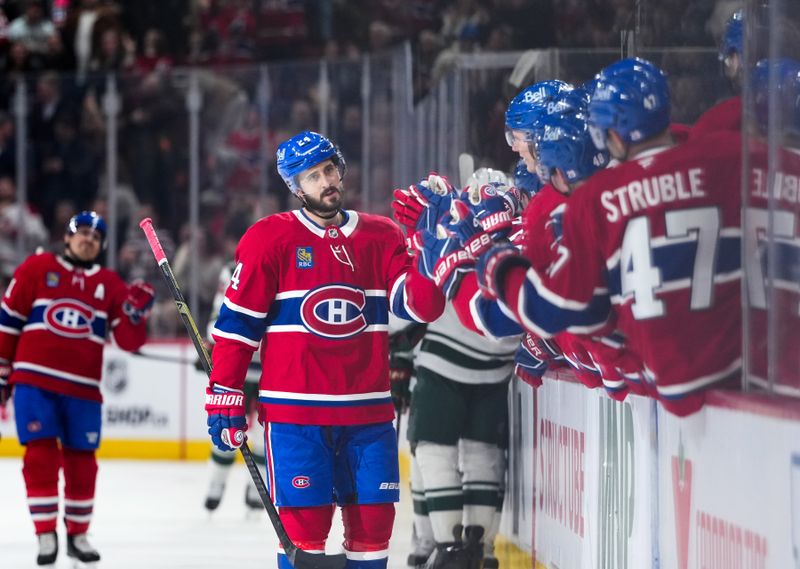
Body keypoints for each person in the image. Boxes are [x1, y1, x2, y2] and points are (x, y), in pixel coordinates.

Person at [205, 131, 445, 568]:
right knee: (305, 539)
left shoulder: (381, 235)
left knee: (373, 535)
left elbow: (420, 306)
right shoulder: (268, 239)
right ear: (295, 187)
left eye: (329, 170)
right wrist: (225, 392)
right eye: (312, 176)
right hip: (297, 420)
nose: (326, 182)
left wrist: (431, 247)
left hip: (368, 418)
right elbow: (237, 328)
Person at [476, 57, 744, 416]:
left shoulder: (594, 199)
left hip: (655, 377)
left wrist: (494, 262)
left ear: (612, 135)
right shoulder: (719, 156)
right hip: (742, 362)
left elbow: (563, 309)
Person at [0, 211, 154, 566]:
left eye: (96, 237)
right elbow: (8, 321)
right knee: (40, 455)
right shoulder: (37, 268)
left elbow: (128, 341)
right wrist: (2, 371)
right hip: (34, 380)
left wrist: (135, 313)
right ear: (66, 238)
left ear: (101, 247)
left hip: (84, 390)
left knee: (83, 462)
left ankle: (78, 533)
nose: (88, 239)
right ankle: (44, 534)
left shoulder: (110, 284)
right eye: (82, 232)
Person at [203, 215, 266, 512]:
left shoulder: (281, 270)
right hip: (239, 368)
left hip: (268, 369)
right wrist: (212, 345)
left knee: (265, 432)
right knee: (226, 427)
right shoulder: (231, 272)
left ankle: (258, 490)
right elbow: (220, 317)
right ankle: (216, 485)